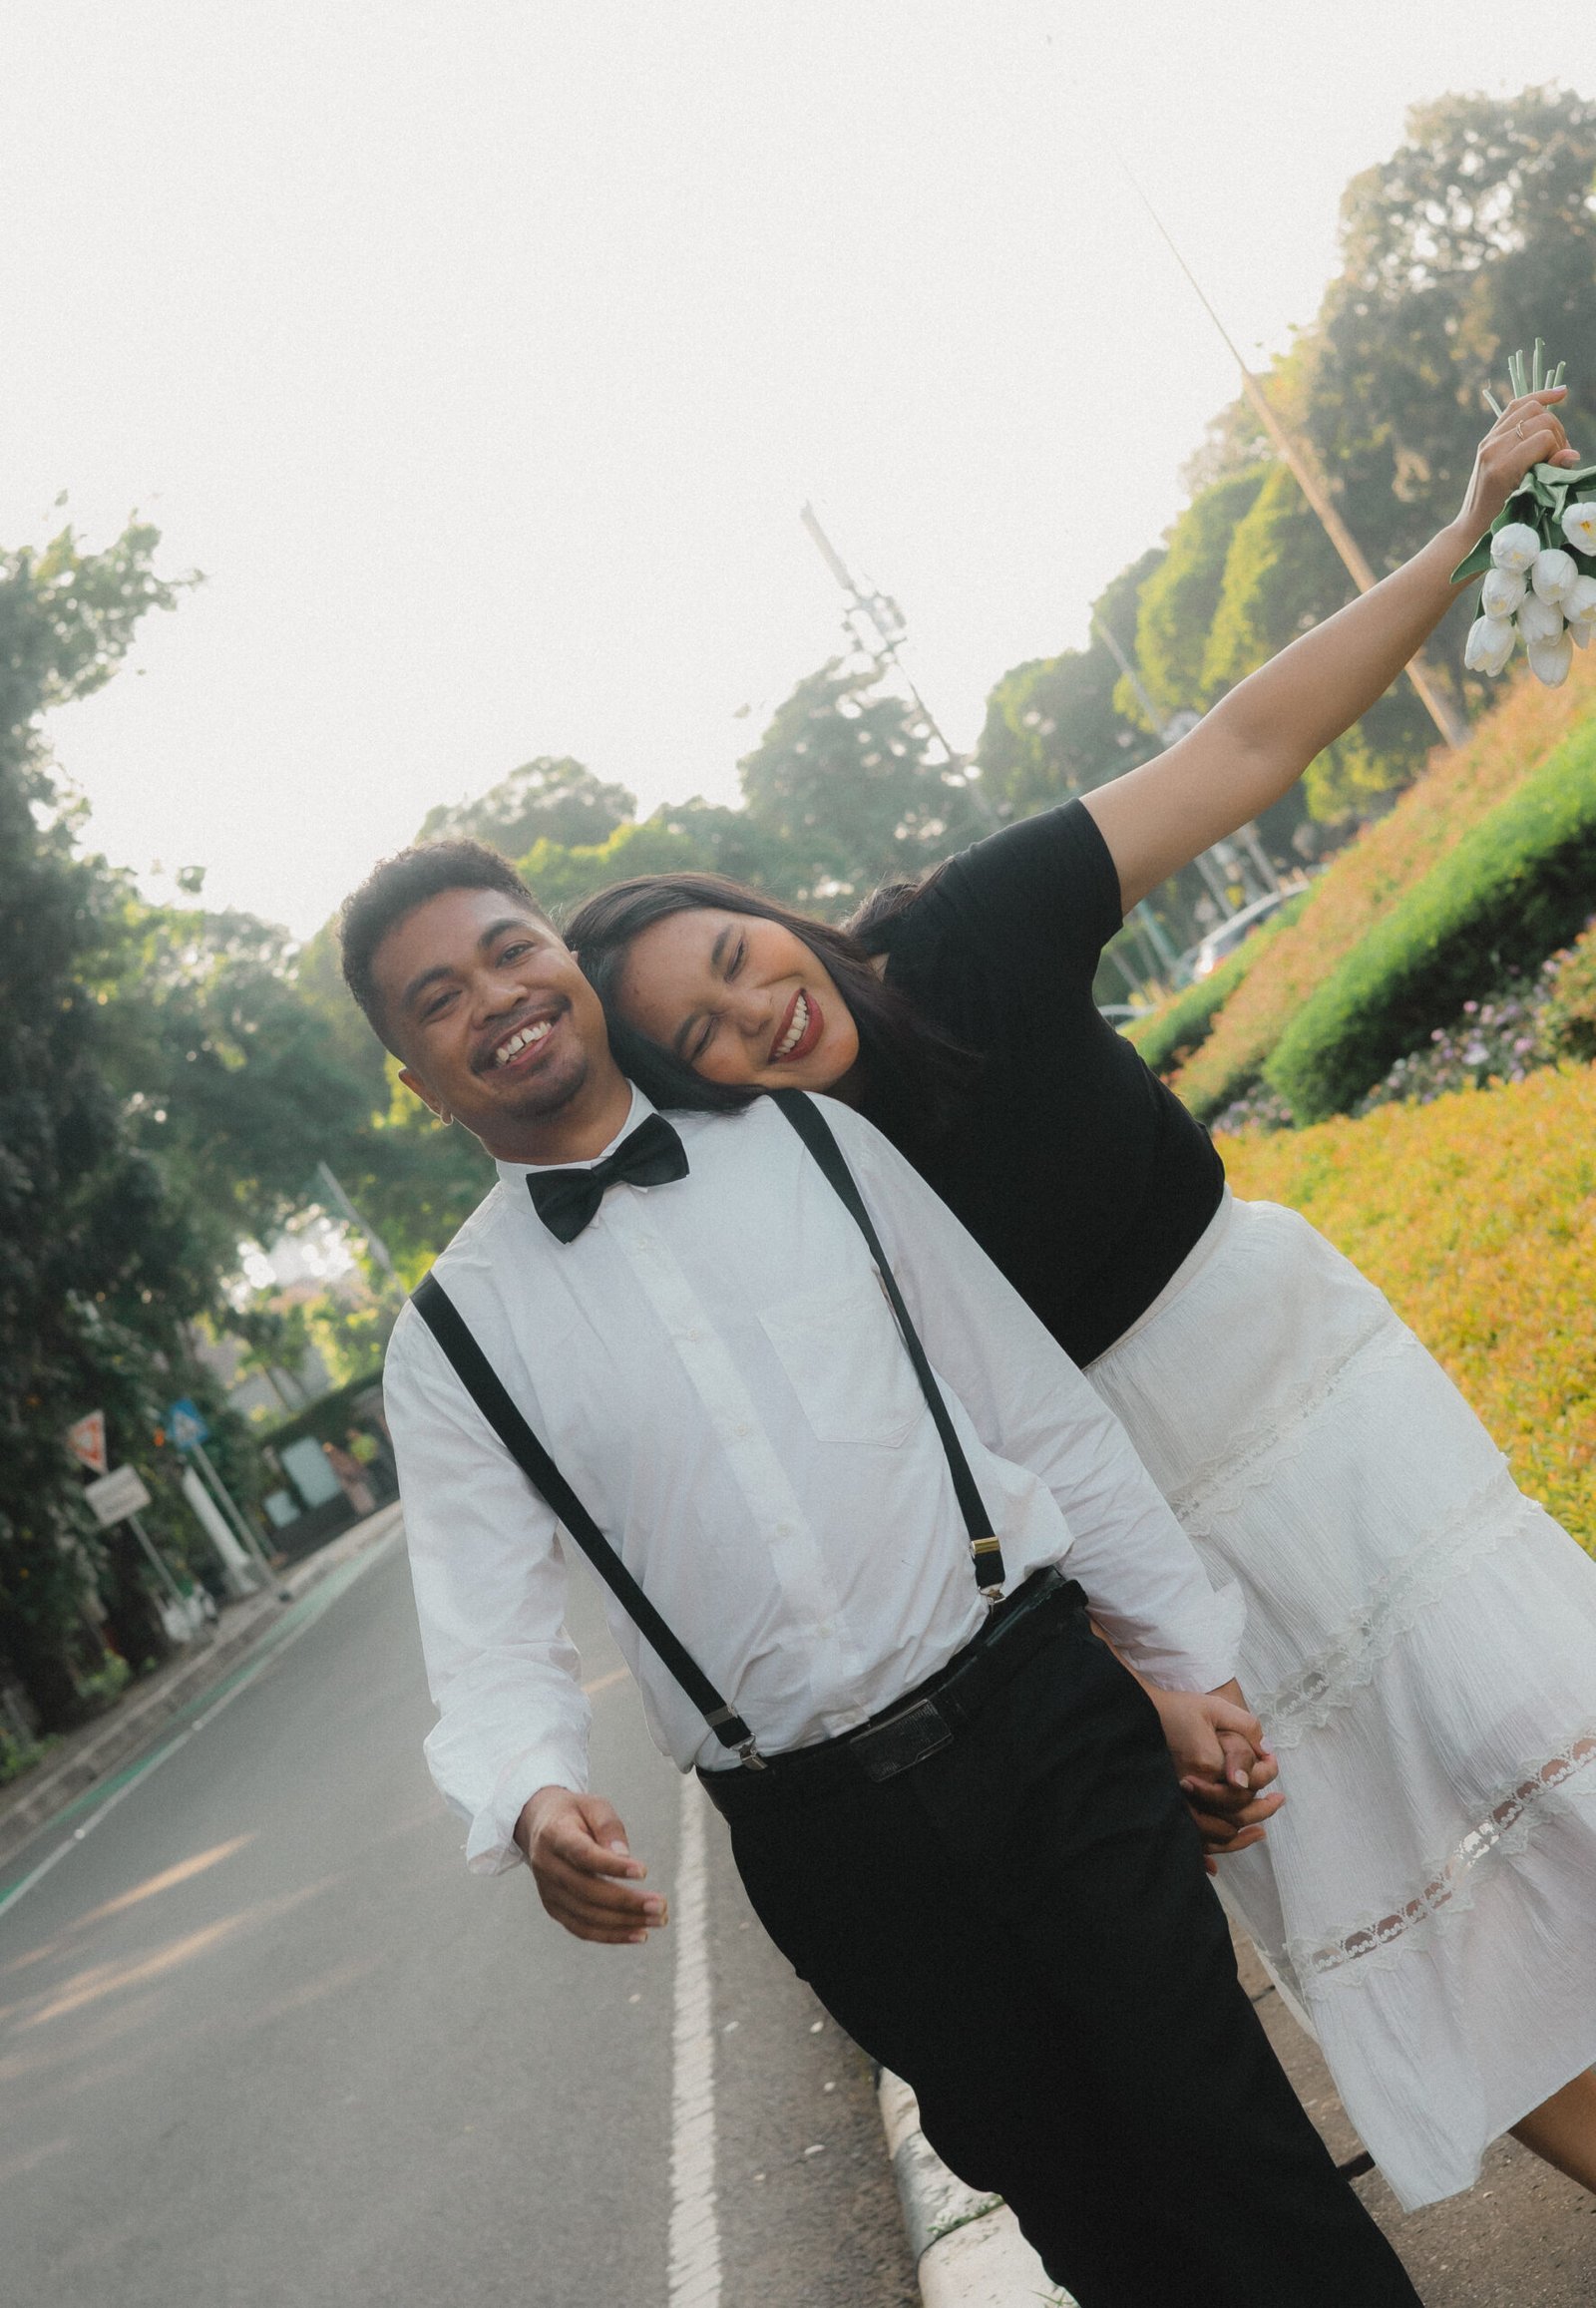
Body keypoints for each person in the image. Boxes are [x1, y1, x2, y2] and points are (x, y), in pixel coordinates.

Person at [567, 384, 1596, 2217]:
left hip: (1307, 1386)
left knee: (1548, 1732)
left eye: (736, 956)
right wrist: (1133, 1671)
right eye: (703, 1037)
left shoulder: (970, 927)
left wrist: (1458, 542)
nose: (755, 1012)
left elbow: (1244, 740)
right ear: (691, 1092)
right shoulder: (789, 1210)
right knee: (1393, 1900)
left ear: (766, 910)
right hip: (1144, 1541)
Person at [341, 841, 1422, 2308]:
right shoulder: (450, 1342)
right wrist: (533, 1795)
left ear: (560, 958)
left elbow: (1028, 1405)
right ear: (419, 1079)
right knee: (1078, 2207)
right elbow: (488, 1635)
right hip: (827, 1841)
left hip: (1042, 1714)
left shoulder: (808, 1141)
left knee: (1227, 2131)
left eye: (507, 949)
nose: (496, 998)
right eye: (439, 998)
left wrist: (1184, 1660)